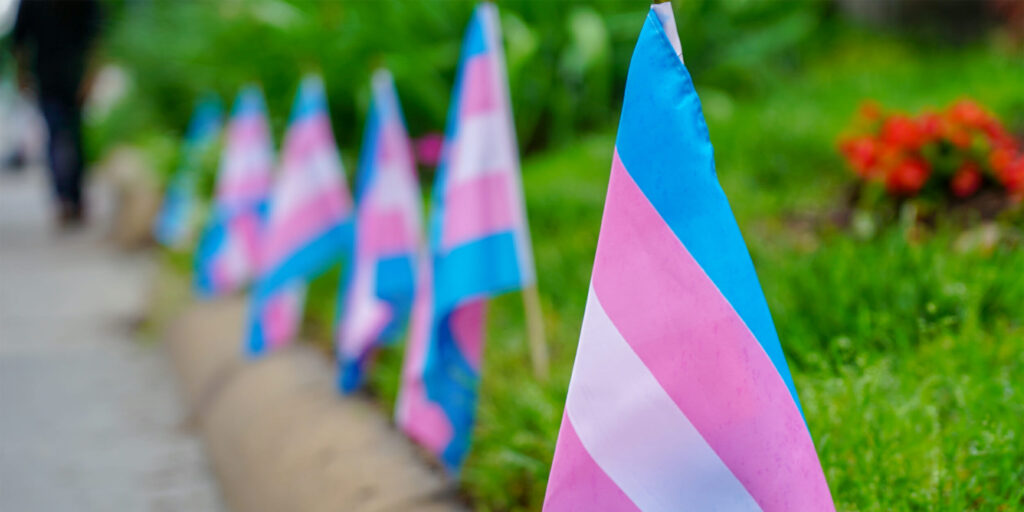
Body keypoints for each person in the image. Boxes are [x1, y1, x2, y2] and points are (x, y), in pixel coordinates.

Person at [13, 0, 102, 226]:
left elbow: (95, 38)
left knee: (69, 136)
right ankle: (66, 197)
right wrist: (22, 74)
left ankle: (71, 196)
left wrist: (90, 75)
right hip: (52, 78)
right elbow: (20, 41)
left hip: (70, 78)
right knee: (61, 134)